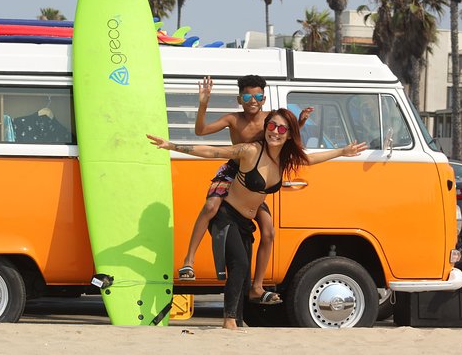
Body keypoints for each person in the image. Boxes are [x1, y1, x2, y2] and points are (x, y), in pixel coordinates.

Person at [147, 108, 366, 329]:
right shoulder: (251, 151)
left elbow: (310, 159)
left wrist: (341, 151)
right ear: (265, 128)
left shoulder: (285, 159)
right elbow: (212, 151)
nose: (275, 132)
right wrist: (172, 146)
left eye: (282, 129)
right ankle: (229, 320)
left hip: (245, 222)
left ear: (289, 134)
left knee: (243, 273)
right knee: (240, 265)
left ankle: (238, 319)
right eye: (271, 126)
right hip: (226, 215)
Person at [178, 75, 311, 307]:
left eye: (258, 96)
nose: (253, 100)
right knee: (211, 206)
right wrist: (203, 104)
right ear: (240, 98)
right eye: (248, 96)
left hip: (254, 179)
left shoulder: (269, 120)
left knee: (268, 232)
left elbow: (282, 137)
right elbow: (200, 131)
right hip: (232, 170)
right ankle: (189, 260)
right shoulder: (233, 119)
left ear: (264, 98)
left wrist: (299, 123)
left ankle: (257, 287)